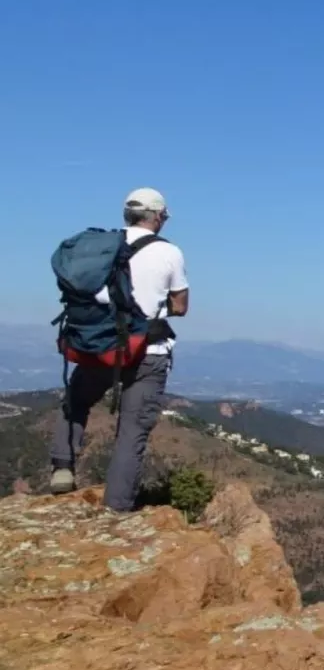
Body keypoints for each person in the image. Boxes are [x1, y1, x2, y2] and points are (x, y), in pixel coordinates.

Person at [50, 187, 190, 510]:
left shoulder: (102, 248)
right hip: (148, 353)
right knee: (131, 433)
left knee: (76, 400)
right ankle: (115, 512)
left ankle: (61, 466)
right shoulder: (169, 253)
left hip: (102, 347)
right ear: (157, 216)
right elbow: (181, 306)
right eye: (164, 216)